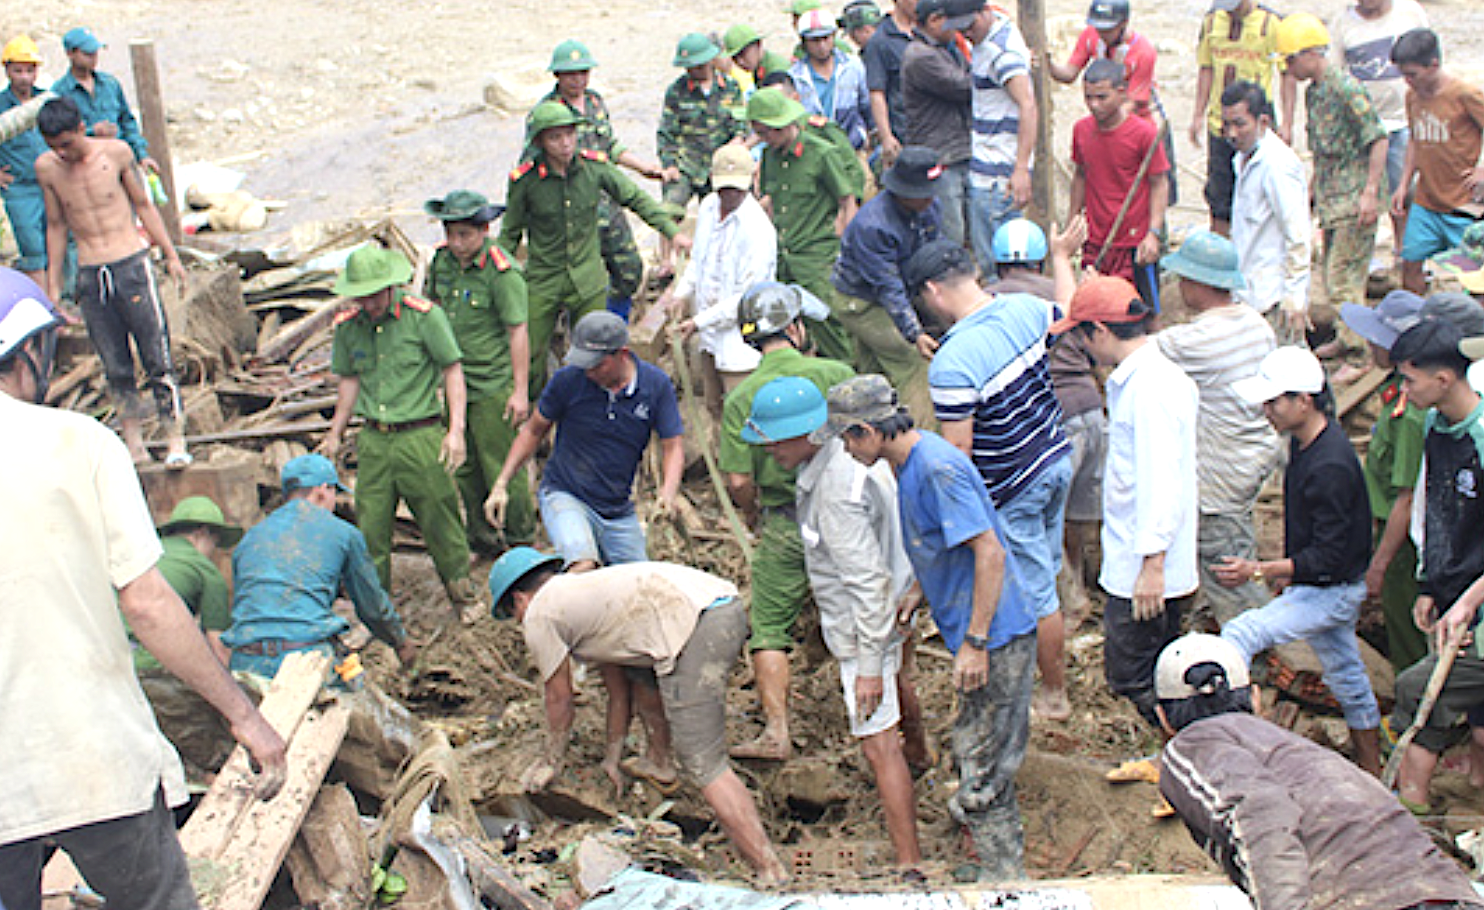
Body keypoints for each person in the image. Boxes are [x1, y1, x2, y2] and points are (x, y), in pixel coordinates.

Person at [0, 268, 286, 910]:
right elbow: (147, 602)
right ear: (29, 355)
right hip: (87, 750)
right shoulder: (78, 443)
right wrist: (244, 715)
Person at [825, 373, 1036, 880]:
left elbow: (989, 551)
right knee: (972, 741)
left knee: (984, 759)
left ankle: (1004, 877)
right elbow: (944, 540)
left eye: (848, 440)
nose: (848, 453)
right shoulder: (907, 464)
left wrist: (976, 642)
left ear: (867, 432)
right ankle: (985, 858)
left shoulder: (936, 470)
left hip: (997, 633)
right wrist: (919, 590)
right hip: (975, 625)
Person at [488, 549, 788, 886]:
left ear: (520, 600)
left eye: (513, 614)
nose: (519, 623)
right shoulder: (583, 597)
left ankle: (769, 868)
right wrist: (612, 759)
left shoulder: (540, 613)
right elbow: (620, 691)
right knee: (643, 679)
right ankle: (658, 762)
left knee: (704, 763)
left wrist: (551, 760)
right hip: (717, 603)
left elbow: (560, 698)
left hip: (699, 622)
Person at [1153, 633, 1482, 910]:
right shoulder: (1303, 755)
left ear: (1163, 718)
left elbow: (1258, 810)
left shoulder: (1192, 745)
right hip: (1448, 894)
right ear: (1255, 699)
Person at [744, 376, 925, 867]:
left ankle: (909, 863)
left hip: (868, 625)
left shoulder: (835, 491)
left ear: (807, 435)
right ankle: (922, 757)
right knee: (901, 686)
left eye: (776, 442)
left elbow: (866, 583)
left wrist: (867, 665)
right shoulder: (856, 460)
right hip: (894, 606)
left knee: (878, 747)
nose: (769, 453)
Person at [909, 238, 1075, 722]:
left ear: (934, 292)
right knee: (1043, 566)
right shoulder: (1023, 309)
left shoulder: (952, 363)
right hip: (1054, 455)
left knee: (1035, 589)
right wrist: (1062, 258)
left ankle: (1053, 693)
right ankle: (1053, 668)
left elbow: (958, 453)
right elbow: (1067, 310)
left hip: (1012, 482)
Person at [1217, 346, 1382, 775]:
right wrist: (1289, 572)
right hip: (1322, 584)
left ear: (1303, 401)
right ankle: (1372, 769)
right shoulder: (1309, 444)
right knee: (1347, 676)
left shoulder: (1330, 464)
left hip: (1334, 590)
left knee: (1241, 633)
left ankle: (1236, 744)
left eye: (1273, 401)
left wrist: (1262, 569)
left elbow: (1330, 552)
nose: (1266, 410)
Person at [1051, 275, 1198, 729]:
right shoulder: (1149, 378)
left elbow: (1160, 481)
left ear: (1099, 331)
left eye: (1081, 335)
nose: (1081, 347)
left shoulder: (1148, 390)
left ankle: (1167, 753)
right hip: (1141, 559)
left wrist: (1152, 564)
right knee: (1151, 668)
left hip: (1145, 569)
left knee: (1135, 678)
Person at [720, 282, 855, 760]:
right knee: (862, 608)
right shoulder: (836, 372)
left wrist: (753, 515)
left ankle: (777, 731)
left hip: (784, 522)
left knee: (770, 626)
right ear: (796, 329)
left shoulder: (742, 399)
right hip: (846, 512)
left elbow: (737, 481)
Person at [319, 245, 482, 623]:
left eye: (376, 294)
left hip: (420, 434)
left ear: (391, 286)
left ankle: (463, 596)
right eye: (363, 296)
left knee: (440, 520)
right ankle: (376, 612)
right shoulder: (348, 326)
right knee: (371, 528)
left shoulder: (424, 318)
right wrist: (335, 431)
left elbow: (452, 371)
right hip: (374, 440)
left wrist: (455, 430)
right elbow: (350, 380)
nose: (370, 303)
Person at [35, 96, 189, 467]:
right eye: (55, 147)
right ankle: (133, 444)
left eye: (67, 144)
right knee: (115, 365)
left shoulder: (116, 154)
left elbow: (144, 204)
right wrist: (53, 286)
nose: (63, 153)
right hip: (91, 273)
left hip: (131, 265)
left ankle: (175, 440)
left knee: (157, 358)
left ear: (80, 129)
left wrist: (169, 254)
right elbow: (56, 225)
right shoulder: (48, 169)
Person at [502, 102, 683, 391]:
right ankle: (535, 409)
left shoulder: (594, 168)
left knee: (597, 351)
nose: (565, 144)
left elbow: (636, 198)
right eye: (554, 138)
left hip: (587, 278)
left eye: (569, 135)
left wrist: (672, 232)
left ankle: (592, 408)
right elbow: (509, 235)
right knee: (530, 351)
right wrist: (498, 276)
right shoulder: (525, 181)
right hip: (543, 279)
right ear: (540, 142)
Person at [486, 310, 683, 571]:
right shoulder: (568, 380)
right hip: (566, 493)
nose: (589, 372)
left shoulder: (655, 386)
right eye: (585, 364)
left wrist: (667, 494)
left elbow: (673, 446)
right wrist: (501, 483)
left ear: (621, 354)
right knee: (582, 566)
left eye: (597, 364)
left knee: (639, 581)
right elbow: (533, 431)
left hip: (617, 507)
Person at [1156, 231, 1279, 630]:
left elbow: (1136, 352)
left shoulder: (1198, 339)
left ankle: (1253, 647)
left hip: (1221, 470)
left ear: (1196, 283)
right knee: (1231, 544)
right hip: (1253, 454)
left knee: (1226, 565)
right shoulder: (1255, 322)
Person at [1389, 320, 1484, 812]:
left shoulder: (1482, 436)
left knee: (1419, 693)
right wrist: (1431, 582)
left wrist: (1469, 600)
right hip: (1456, 592)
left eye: (1410, 379)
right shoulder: (1435, 426)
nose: (1405, 390)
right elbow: (1434, 507)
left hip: (1477, 603)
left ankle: (1415, 812)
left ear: (1443, 379)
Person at [223, 454, 417, 677]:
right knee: (356, 696)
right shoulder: (344, 534)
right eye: (334, 492)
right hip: (302, 656)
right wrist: (400, 642)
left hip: (244, 659)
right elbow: (372, 607)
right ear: (323, 490)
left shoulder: (251, 537)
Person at [422, 189, 534, 558]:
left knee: (502, 466)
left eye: (465, 235)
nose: (456, 243)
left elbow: (518, 331)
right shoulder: (441, 263)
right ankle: (483, 539)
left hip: (490, 384)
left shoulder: (502, 272)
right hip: (453, 383)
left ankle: (520, 539)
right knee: (464, 468)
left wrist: (519, 391)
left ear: (484, 229)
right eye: (451, 234)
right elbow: (431, 313)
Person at [1280, 14, 1387, 359]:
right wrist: (1312, 190)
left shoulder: (1346, 88)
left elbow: (1378, 138)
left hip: (1354, 198)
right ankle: (1346, 336)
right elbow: (1326, 151)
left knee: (1344, 279)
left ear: (1310, 53)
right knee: (1331, 273)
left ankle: (1359, 352)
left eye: (1291, 59)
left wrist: (1370, 192)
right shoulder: (1316, 93)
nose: (1289, 68)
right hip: (1332, 197)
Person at [536, 40, 663, 319]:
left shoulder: (594, 102)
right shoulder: (547, 112)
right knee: (582, 279)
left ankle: (616, 321)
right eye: (571, 74)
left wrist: (642, 167)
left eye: (583, 73)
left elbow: (609, 146)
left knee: (629, 268)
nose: (578, 80)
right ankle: (585, 331)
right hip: (574, 208)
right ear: (557, 76)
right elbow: (533, 162)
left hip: (606, 198)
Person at [1340, 291, 1428, 673]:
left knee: (1404, 616)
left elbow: (1407, 498)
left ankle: (1417, 694)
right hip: (1385, 523)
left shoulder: (1410, 413)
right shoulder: (1394, 389)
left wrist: (1380, 563)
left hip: (1402, 539)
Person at [660, 144, 774, 418]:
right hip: (710, 336)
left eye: (735, 189)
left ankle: (741, 461)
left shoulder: (757, 230)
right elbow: (699, 260)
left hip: (741, 343)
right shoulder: (710, 207)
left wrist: (696, 323)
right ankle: (718, 457)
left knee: (744, 414)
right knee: (714, 407)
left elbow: (745, 300)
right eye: (723, 189)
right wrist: (681, 294)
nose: (728, 195)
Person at [831, 146, 942, 424]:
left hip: (900, 290)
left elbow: (934, 254)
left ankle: (872, 430)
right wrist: (914, 334)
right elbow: (888, 287)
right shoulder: (873, 226)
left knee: (874, 373)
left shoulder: (929, 207)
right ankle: (923, 438)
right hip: (861, 302)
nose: (930, 198)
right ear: (904, 192)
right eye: (923, 194)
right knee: (912, 362)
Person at [749, 86, 858, 364]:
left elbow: (847, 200)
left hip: (817, 256)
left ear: (781, 126)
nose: (761, 139)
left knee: (830, 321)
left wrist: (847, 246)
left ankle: (847, 372)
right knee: (790, 323)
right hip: (785, 256)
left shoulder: (822, 154)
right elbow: (771, 201)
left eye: (764, 133)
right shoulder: (770, 157)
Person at [1388, 28, 1484, 295]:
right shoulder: (1413, 97)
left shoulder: (1464, 95)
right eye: (1404, 75)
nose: (1408, 81)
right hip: (1426, 200)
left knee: (1473, 275)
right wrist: (1403, 183)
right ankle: (1415, 323)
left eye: (1413, 74)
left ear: (1433, 65)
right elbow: (1415, 140)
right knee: (1410, 262)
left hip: (1463, 204)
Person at [1329, 0, 1430, 252]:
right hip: (1361, 127)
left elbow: (1428, 55)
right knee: (1363, 194)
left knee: (1405, 193)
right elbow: (1335, 74)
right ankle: (1366, 256)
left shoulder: (1410, 13)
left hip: (1403, 121)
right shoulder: (1342, 23)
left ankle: (1405, 251)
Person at [1069, 59, 1169, 309]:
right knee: (1095, 307)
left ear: (1121, 93)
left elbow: (1159, 182)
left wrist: (1153, 233)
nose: (1094, 105)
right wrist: (1073, 222)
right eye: (1088, 97)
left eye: (1102, 97)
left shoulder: (1144, 133)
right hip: (1096, 240)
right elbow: (1080, 175)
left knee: (1142, 312)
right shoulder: (1081, 130)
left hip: (1134, 242)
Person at [1189, 0, 1290, 235]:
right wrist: (1198, 114)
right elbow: (1206, 68)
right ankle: (1221, 252)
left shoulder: (1270, 24)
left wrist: (1286, 121)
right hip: (1219, 124)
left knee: (1262, 195)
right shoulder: (1212, 22)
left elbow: (1286, 73)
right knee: (1220, 196)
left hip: (1256, 126)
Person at [1222, 81, 1312, 345]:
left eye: (1240, 124)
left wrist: (1295, 296)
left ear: (1262, 121)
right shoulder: (1241, 160)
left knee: (1287, 367)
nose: (1232, 133)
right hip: (1248, 289)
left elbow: (1297, 233)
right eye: (1227, 125)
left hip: (1273, 295)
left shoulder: (1277, 165)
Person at [958, 0, 1038, 273]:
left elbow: (1027, 105)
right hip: (988, 167)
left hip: (996, 177)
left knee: (997, 270)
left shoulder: (1000, 52)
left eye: (970, 25)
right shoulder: (993, 37)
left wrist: (1020, 169)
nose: (967, 32)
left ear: (985, 12)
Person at [899, 0, 973, 248]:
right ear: (933, 20)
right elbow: (964, 87)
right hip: (942, 157)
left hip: (957, 151)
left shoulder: (946, 49)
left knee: (968, 232)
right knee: (951, 235)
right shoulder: (921, 56)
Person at [144, 496, 241, 669]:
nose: (213, 552)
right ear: (202, 533)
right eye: (214, 543)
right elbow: (218, 647)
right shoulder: (205, 570)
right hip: (153, 660)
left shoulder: (146, 553)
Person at [658, 34, 746, 215]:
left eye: (698, 66)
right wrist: (670, 165)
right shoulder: (676, 91)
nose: (694, 71)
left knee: (730, 212)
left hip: (720, 165)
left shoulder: (730, 88)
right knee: (668, 212)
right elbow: (667, 133)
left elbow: (740, 125)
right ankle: (667, 244)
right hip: (687, 165)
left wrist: (735, 145)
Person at [49, 27, 153, 171]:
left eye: (95, 53)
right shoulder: (59, 93)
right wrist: (91, 132)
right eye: (87, 54)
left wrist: (142, 155)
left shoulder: (110, 84)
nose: (93, 58)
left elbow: (127, 122)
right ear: (70, 54)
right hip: (85, 167)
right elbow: (57, 138)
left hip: (122, 161)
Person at [0, 36, 53, 285]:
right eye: (17, 70)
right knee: (32, 248)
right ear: (7, 70)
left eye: (29, 70)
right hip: (20, 187)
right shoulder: (0, 105)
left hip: (52, 182)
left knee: (61, 241)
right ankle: (45, 307)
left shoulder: (48, 101)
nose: (24, 76)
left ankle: (64, 299)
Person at [790, 10, 873, 152]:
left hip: (852, 147)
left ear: (833, 37)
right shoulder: (795, 77)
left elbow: (866, 105)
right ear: (804, 42)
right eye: (815, 40)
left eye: (825, 38)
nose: (821, 46)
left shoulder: (853, 66)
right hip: (814, 151)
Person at [862, 0, 916, 163]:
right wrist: (886, 137)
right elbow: (877, 92)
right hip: (902, 131)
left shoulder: (931, 31)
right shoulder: (880, 41)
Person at [723, 24, 792, 94]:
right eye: (734, 57)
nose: (740, 61)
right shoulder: (758, 66)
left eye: (743, 54)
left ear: (758, 44)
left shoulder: (777, 70)